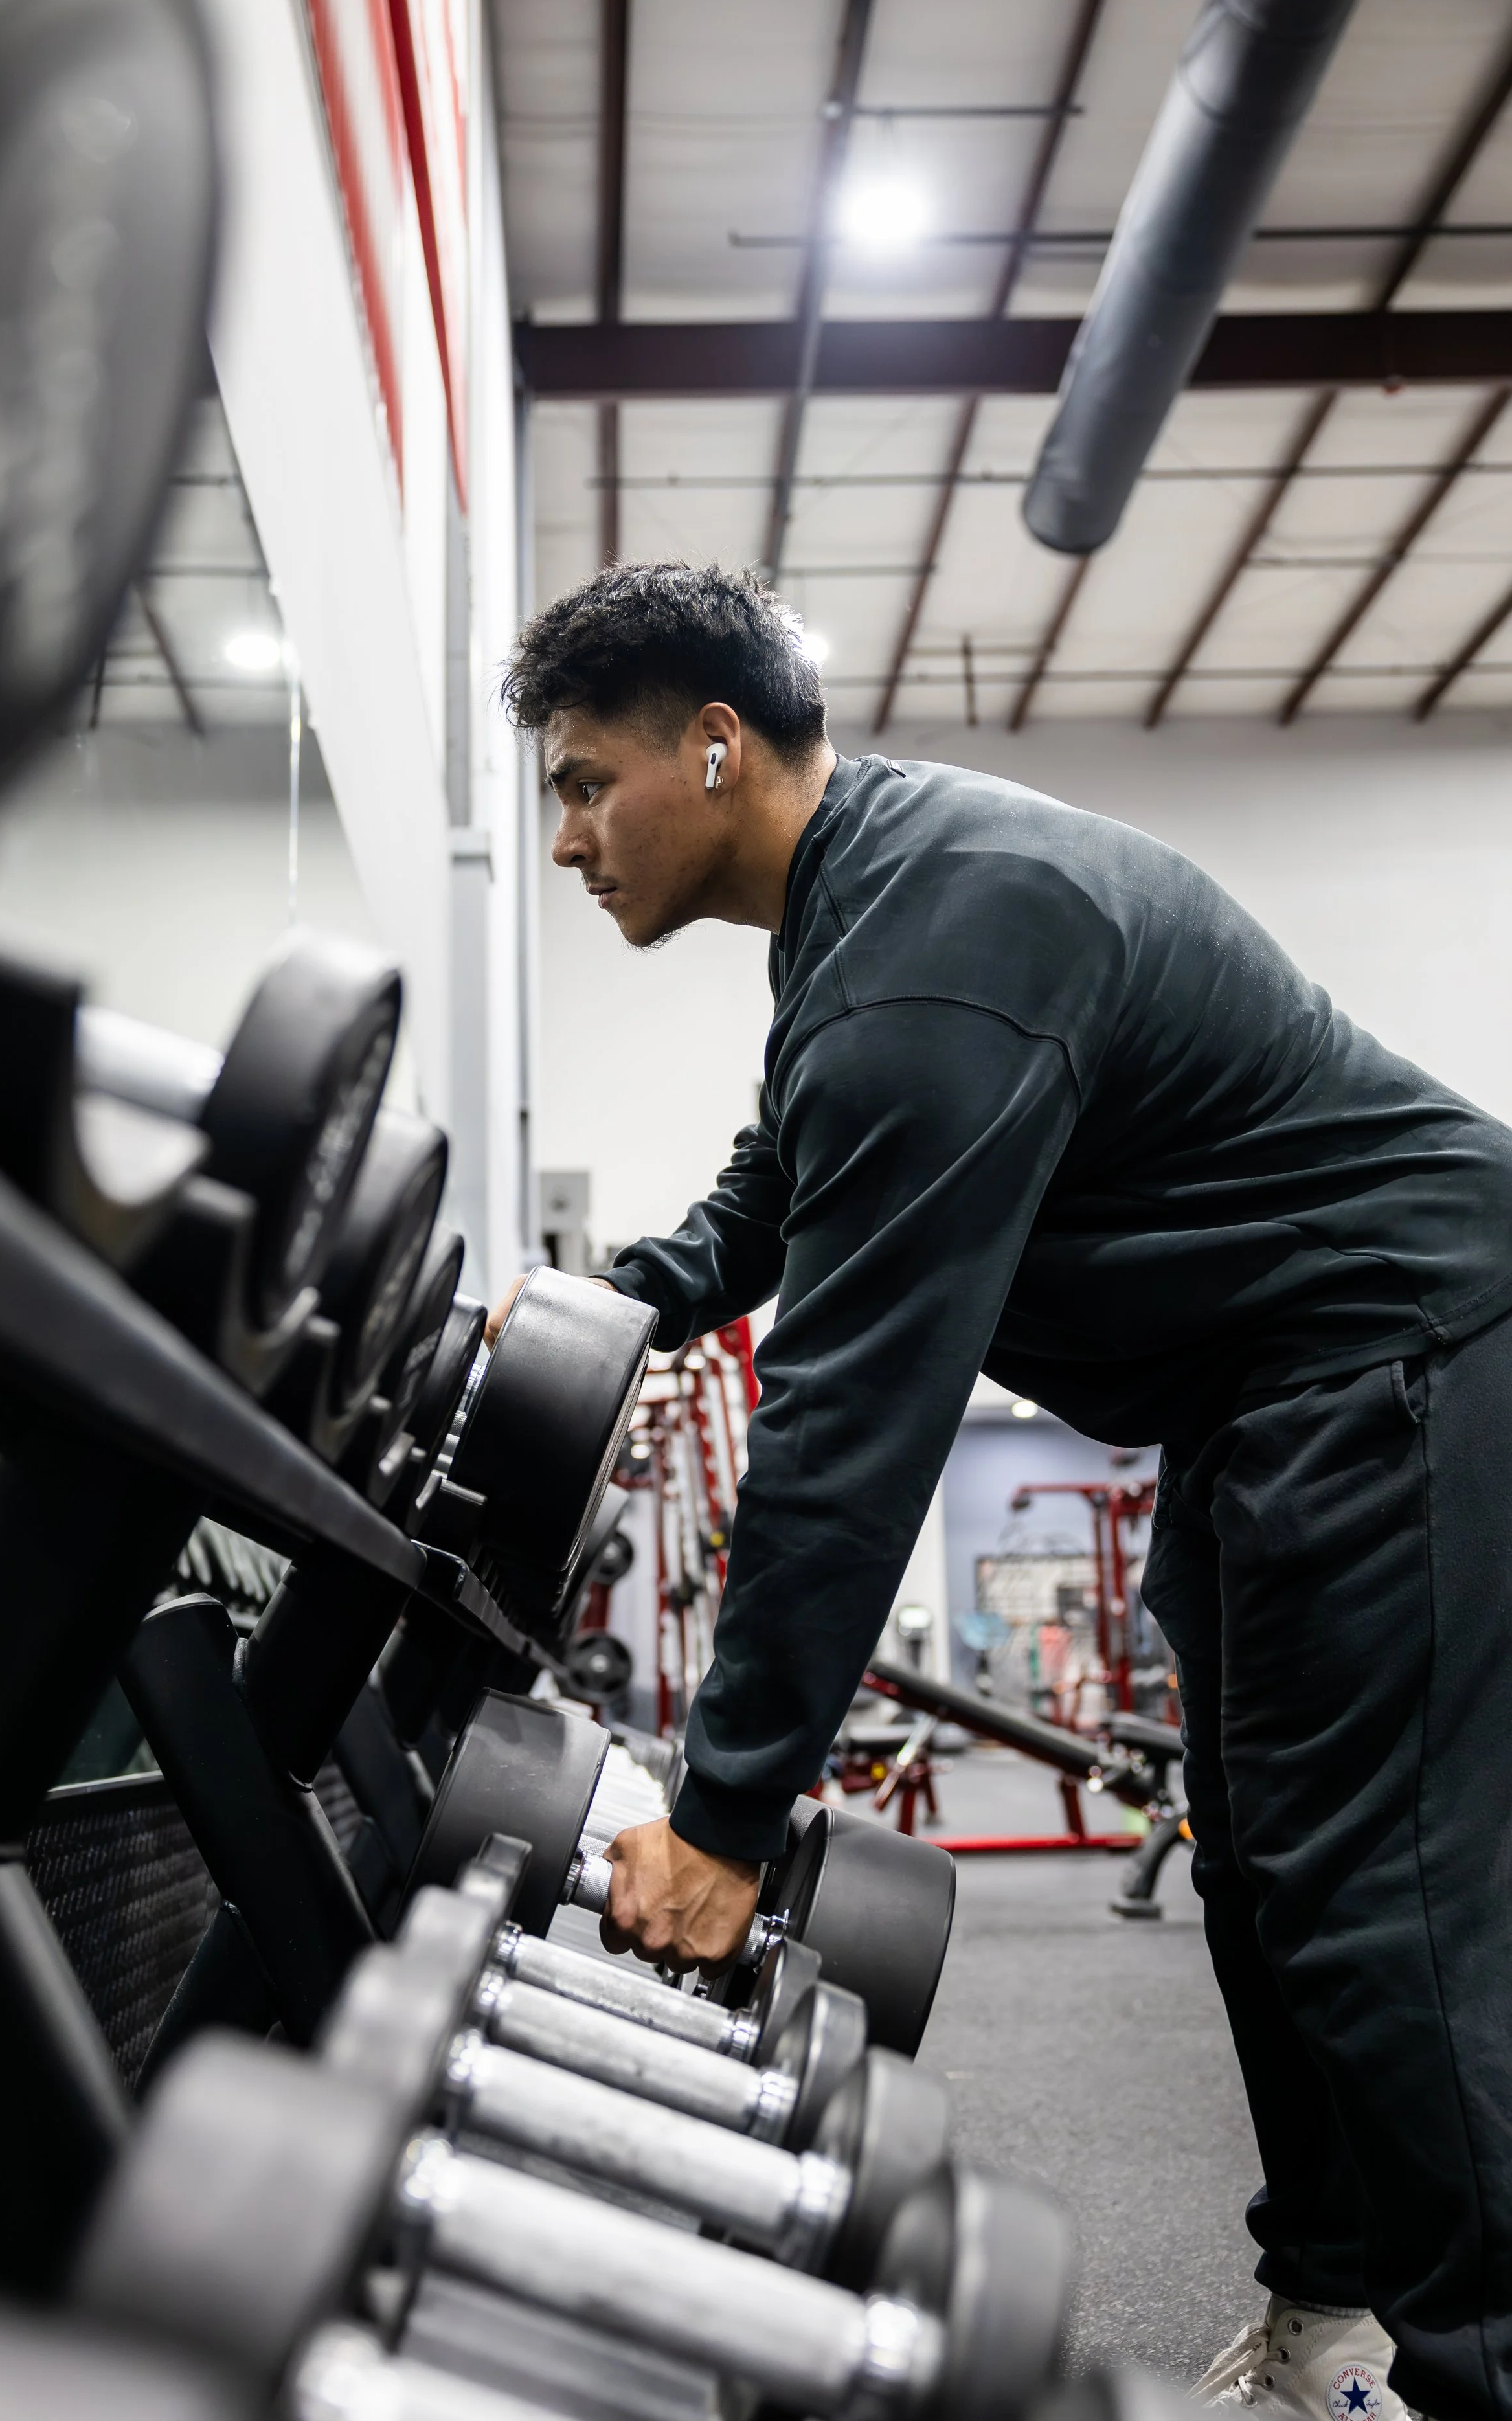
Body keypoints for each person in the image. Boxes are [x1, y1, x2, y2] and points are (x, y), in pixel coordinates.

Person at [492, 559, 1512, 2421]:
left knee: (1388, 1896)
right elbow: (777, 1187)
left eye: (579, 783)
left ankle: (1480, 2375)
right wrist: (611, 1298)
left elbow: (843, 1430)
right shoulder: (868, 908)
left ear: (712, 746)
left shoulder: (935, 945)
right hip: (1277, 1388)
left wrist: (722, 1826)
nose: (566, 839)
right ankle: (1335, 2323)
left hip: (1405, 1351)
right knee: (1270, 1870)